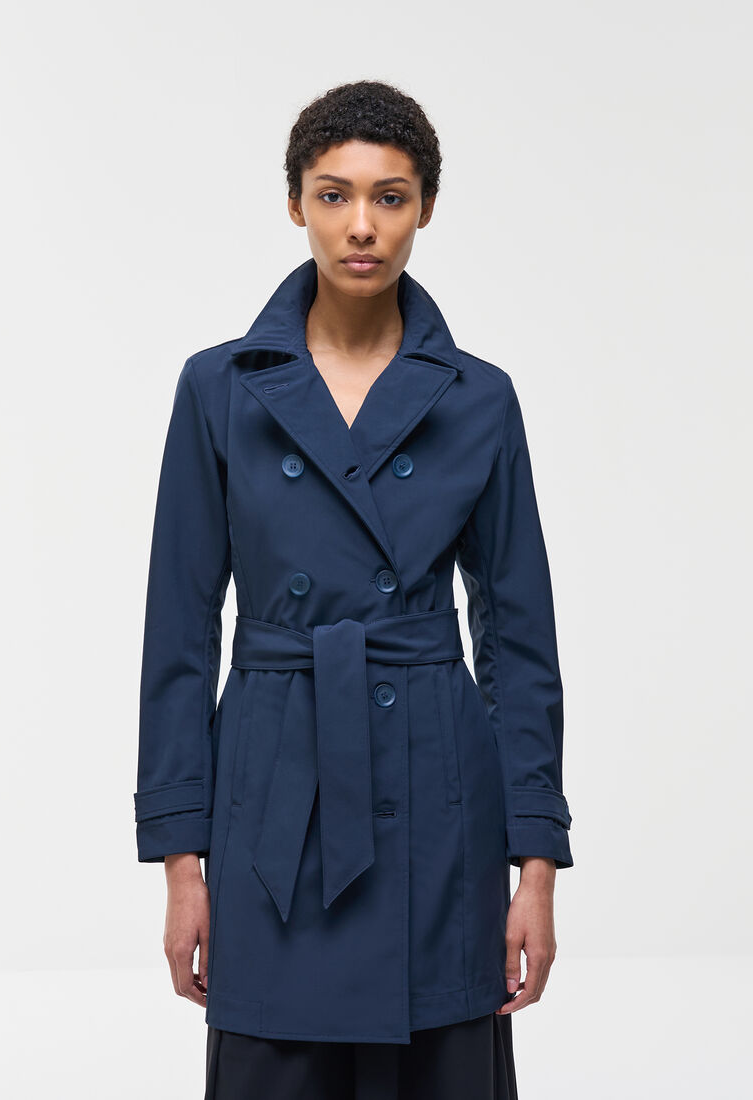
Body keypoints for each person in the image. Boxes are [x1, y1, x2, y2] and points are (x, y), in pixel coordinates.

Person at [133, 79, 574, 1100]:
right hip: (271, 797)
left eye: (390, 196)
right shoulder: (219, 388)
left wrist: (536, 866)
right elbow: (179, 635)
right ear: (295, 203)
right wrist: (180, 863)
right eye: (333, 195)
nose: (361, 226)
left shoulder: (479, 398)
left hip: (435, 799)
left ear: (426, 208)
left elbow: (518, 642)